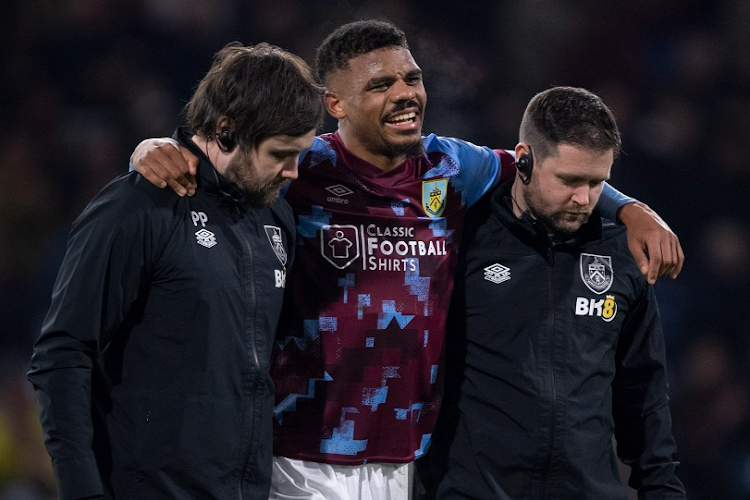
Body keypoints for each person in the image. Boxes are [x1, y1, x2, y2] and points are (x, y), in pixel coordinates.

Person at [129, 21, 684, 499]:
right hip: (299, 449)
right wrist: (153, 147)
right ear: (335, 104)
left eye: (411, 77)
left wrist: (633, 208)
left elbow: (543, 171)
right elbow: (219, 163)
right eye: (380, 84)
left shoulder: (452, 166)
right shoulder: (302, 170)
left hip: (404, 458)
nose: (405, 92)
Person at [27, 42, 324, 500]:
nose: (293, 172)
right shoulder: (137, 207)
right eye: (281, 153)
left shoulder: (275, 218)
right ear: (226, 132)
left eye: (300, 153)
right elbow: (63, 355)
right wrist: (82, 491)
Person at [419, 86, 686, 499]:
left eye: (598, 182)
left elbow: (643, 392)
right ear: (523, 160)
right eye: (569, 180)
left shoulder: (622, 251)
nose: (583, 199)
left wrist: (663, 490)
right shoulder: (463, 239)